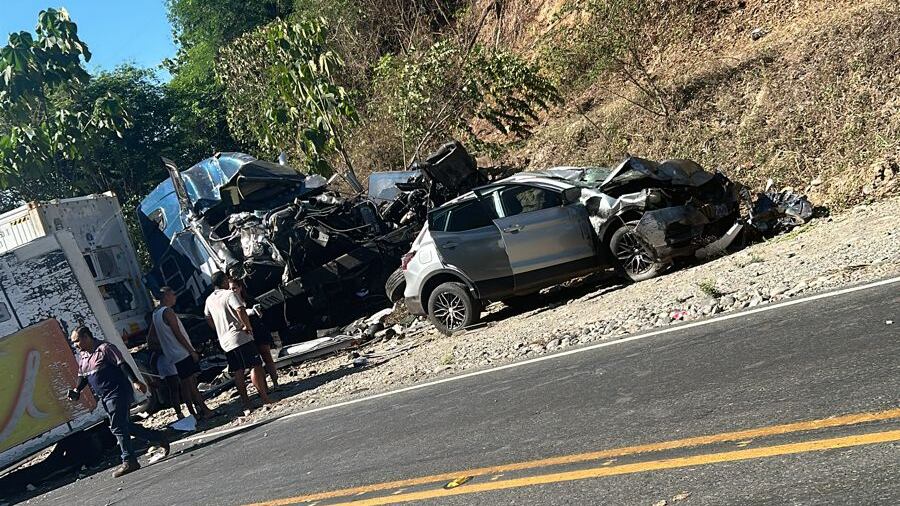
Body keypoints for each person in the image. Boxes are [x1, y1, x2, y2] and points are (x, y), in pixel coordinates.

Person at [68, 326, 169, 477]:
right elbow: (83, 377)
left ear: (86, 337)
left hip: (118, 392)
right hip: (105, 396)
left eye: (76, 341)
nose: (75, 345)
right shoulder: (84, 356)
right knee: (124, 425)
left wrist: (135, 381)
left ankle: (129, 460)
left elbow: (122, 364)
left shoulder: (105, 348)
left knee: (117, 426)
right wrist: (77, 390)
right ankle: (158, 437)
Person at [204, 272, 273, 412]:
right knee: (256, 365)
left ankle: (246, 403)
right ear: (224, 281)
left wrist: (218, 329)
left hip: (225, 341)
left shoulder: (209, 300)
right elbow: (240, 309)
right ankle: (265, 398)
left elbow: (207, 317)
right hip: (239, 336)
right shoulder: (229, 294)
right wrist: (247, 325)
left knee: (238, 372)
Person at [149, 287, 213, 419]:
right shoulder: (167, 311)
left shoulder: (155, 314)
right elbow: (177, 333)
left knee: (185, 384)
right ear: (166, 296)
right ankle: (205, 410)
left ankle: (193, 412)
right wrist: (191, 350)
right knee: (191, 383)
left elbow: (151, 337)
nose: (175, 297)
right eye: (173, 294)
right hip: (181, 352)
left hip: (173, 354)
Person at [229, 279, 279, 390]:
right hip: (246, 335)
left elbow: (262, 315)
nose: (232, 291)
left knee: (267, 356)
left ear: (240, 288)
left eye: (234, 288)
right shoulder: (230, 304)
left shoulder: (250, 300)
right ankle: (264, 388)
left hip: (258, 330)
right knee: (256, 363)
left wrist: (258, 313)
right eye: (230, 289)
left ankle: (276, 383)